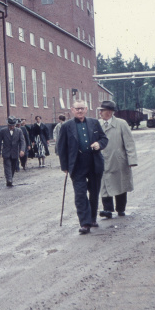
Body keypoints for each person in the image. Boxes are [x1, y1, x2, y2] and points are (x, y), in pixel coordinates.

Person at [58, 100, 108, 234]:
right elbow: (61, 147)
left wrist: (99, 144)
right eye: (77, 109)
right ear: (72, 110)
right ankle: (85, 223)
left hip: (94, 162)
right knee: (80, 194)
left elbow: (104, 139)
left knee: (94, 192)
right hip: (77, 164)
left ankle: (92, 219)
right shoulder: (66, 126)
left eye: (82, 108)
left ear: (86, 109)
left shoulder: (94, 123)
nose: (80, 111)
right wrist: (65, 166)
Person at [98, 101, 138, 219]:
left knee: (120, 183)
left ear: (109, 112)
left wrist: (131, 160)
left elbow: (129, 142)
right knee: (104, 185)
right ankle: (107, 209)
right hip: (102, 160)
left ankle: (120, 208)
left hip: (118, 160)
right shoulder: (97, 124)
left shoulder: (121, 124)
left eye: (102, 110)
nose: (100, 112)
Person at [0, 116, 26, 187]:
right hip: (6, 152)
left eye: (13, 125)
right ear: (8, 125)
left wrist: (22, 150)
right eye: (10, 125)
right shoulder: (2, 131)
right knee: (7, 166)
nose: (12, 127)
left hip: (15, 152)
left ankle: (10, 178)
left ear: (15, 124)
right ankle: (9, 180)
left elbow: (22, 141)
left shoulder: (19, 131)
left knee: (13, 167)